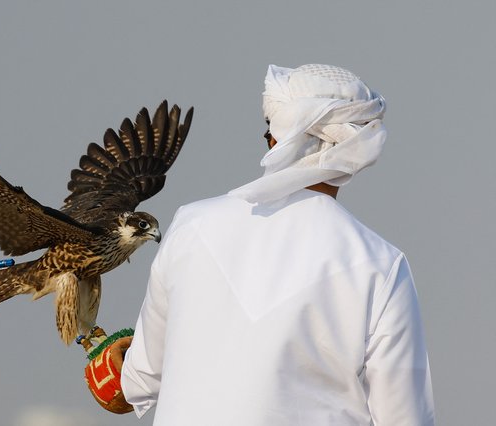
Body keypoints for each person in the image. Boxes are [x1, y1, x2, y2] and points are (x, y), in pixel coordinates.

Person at [92, 64, 435, 425]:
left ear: (275, 140)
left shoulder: (191, 225)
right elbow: (404, 416)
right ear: (359, 148)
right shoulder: (379, 263)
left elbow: (138, 379)